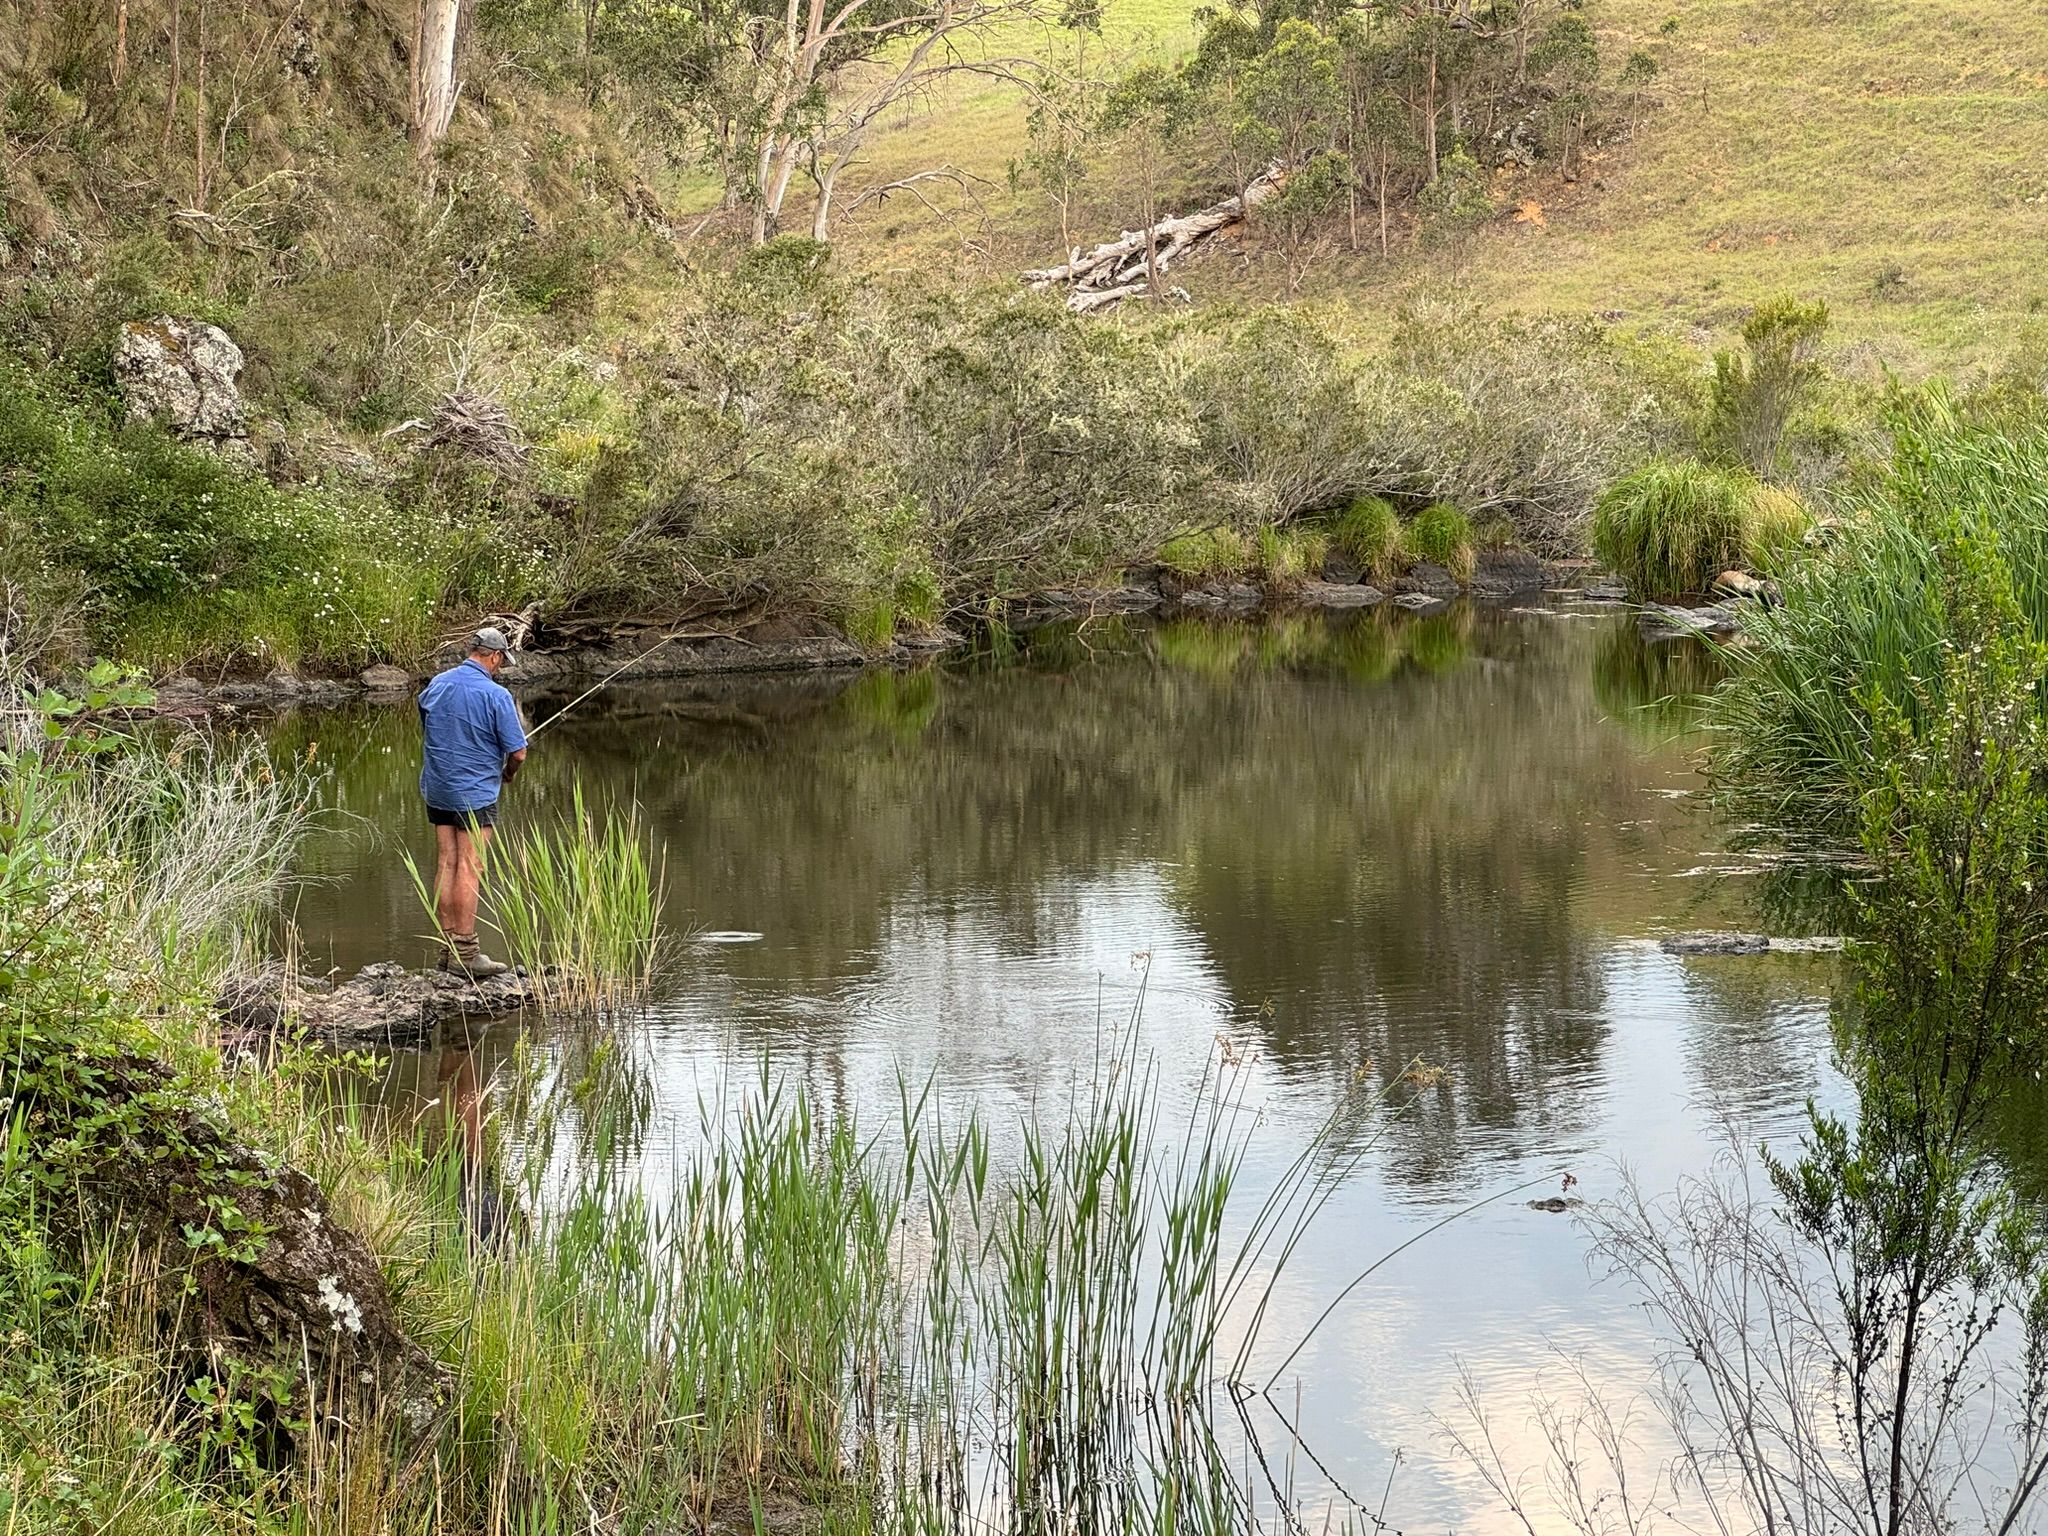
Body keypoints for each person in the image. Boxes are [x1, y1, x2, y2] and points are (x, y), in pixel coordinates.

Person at [419, 626, 528, 978]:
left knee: (446, 862)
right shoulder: (496, 695)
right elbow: (519, 753)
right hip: (475, 792)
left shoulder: (436, 684)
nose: (500, 667)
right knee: (470, 865)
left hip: (438, 787)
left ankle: (447, 948)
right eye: (501, 661)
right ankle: (466, 952)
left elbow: (429, 723)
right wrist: (507, 772)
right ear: (494, 656)